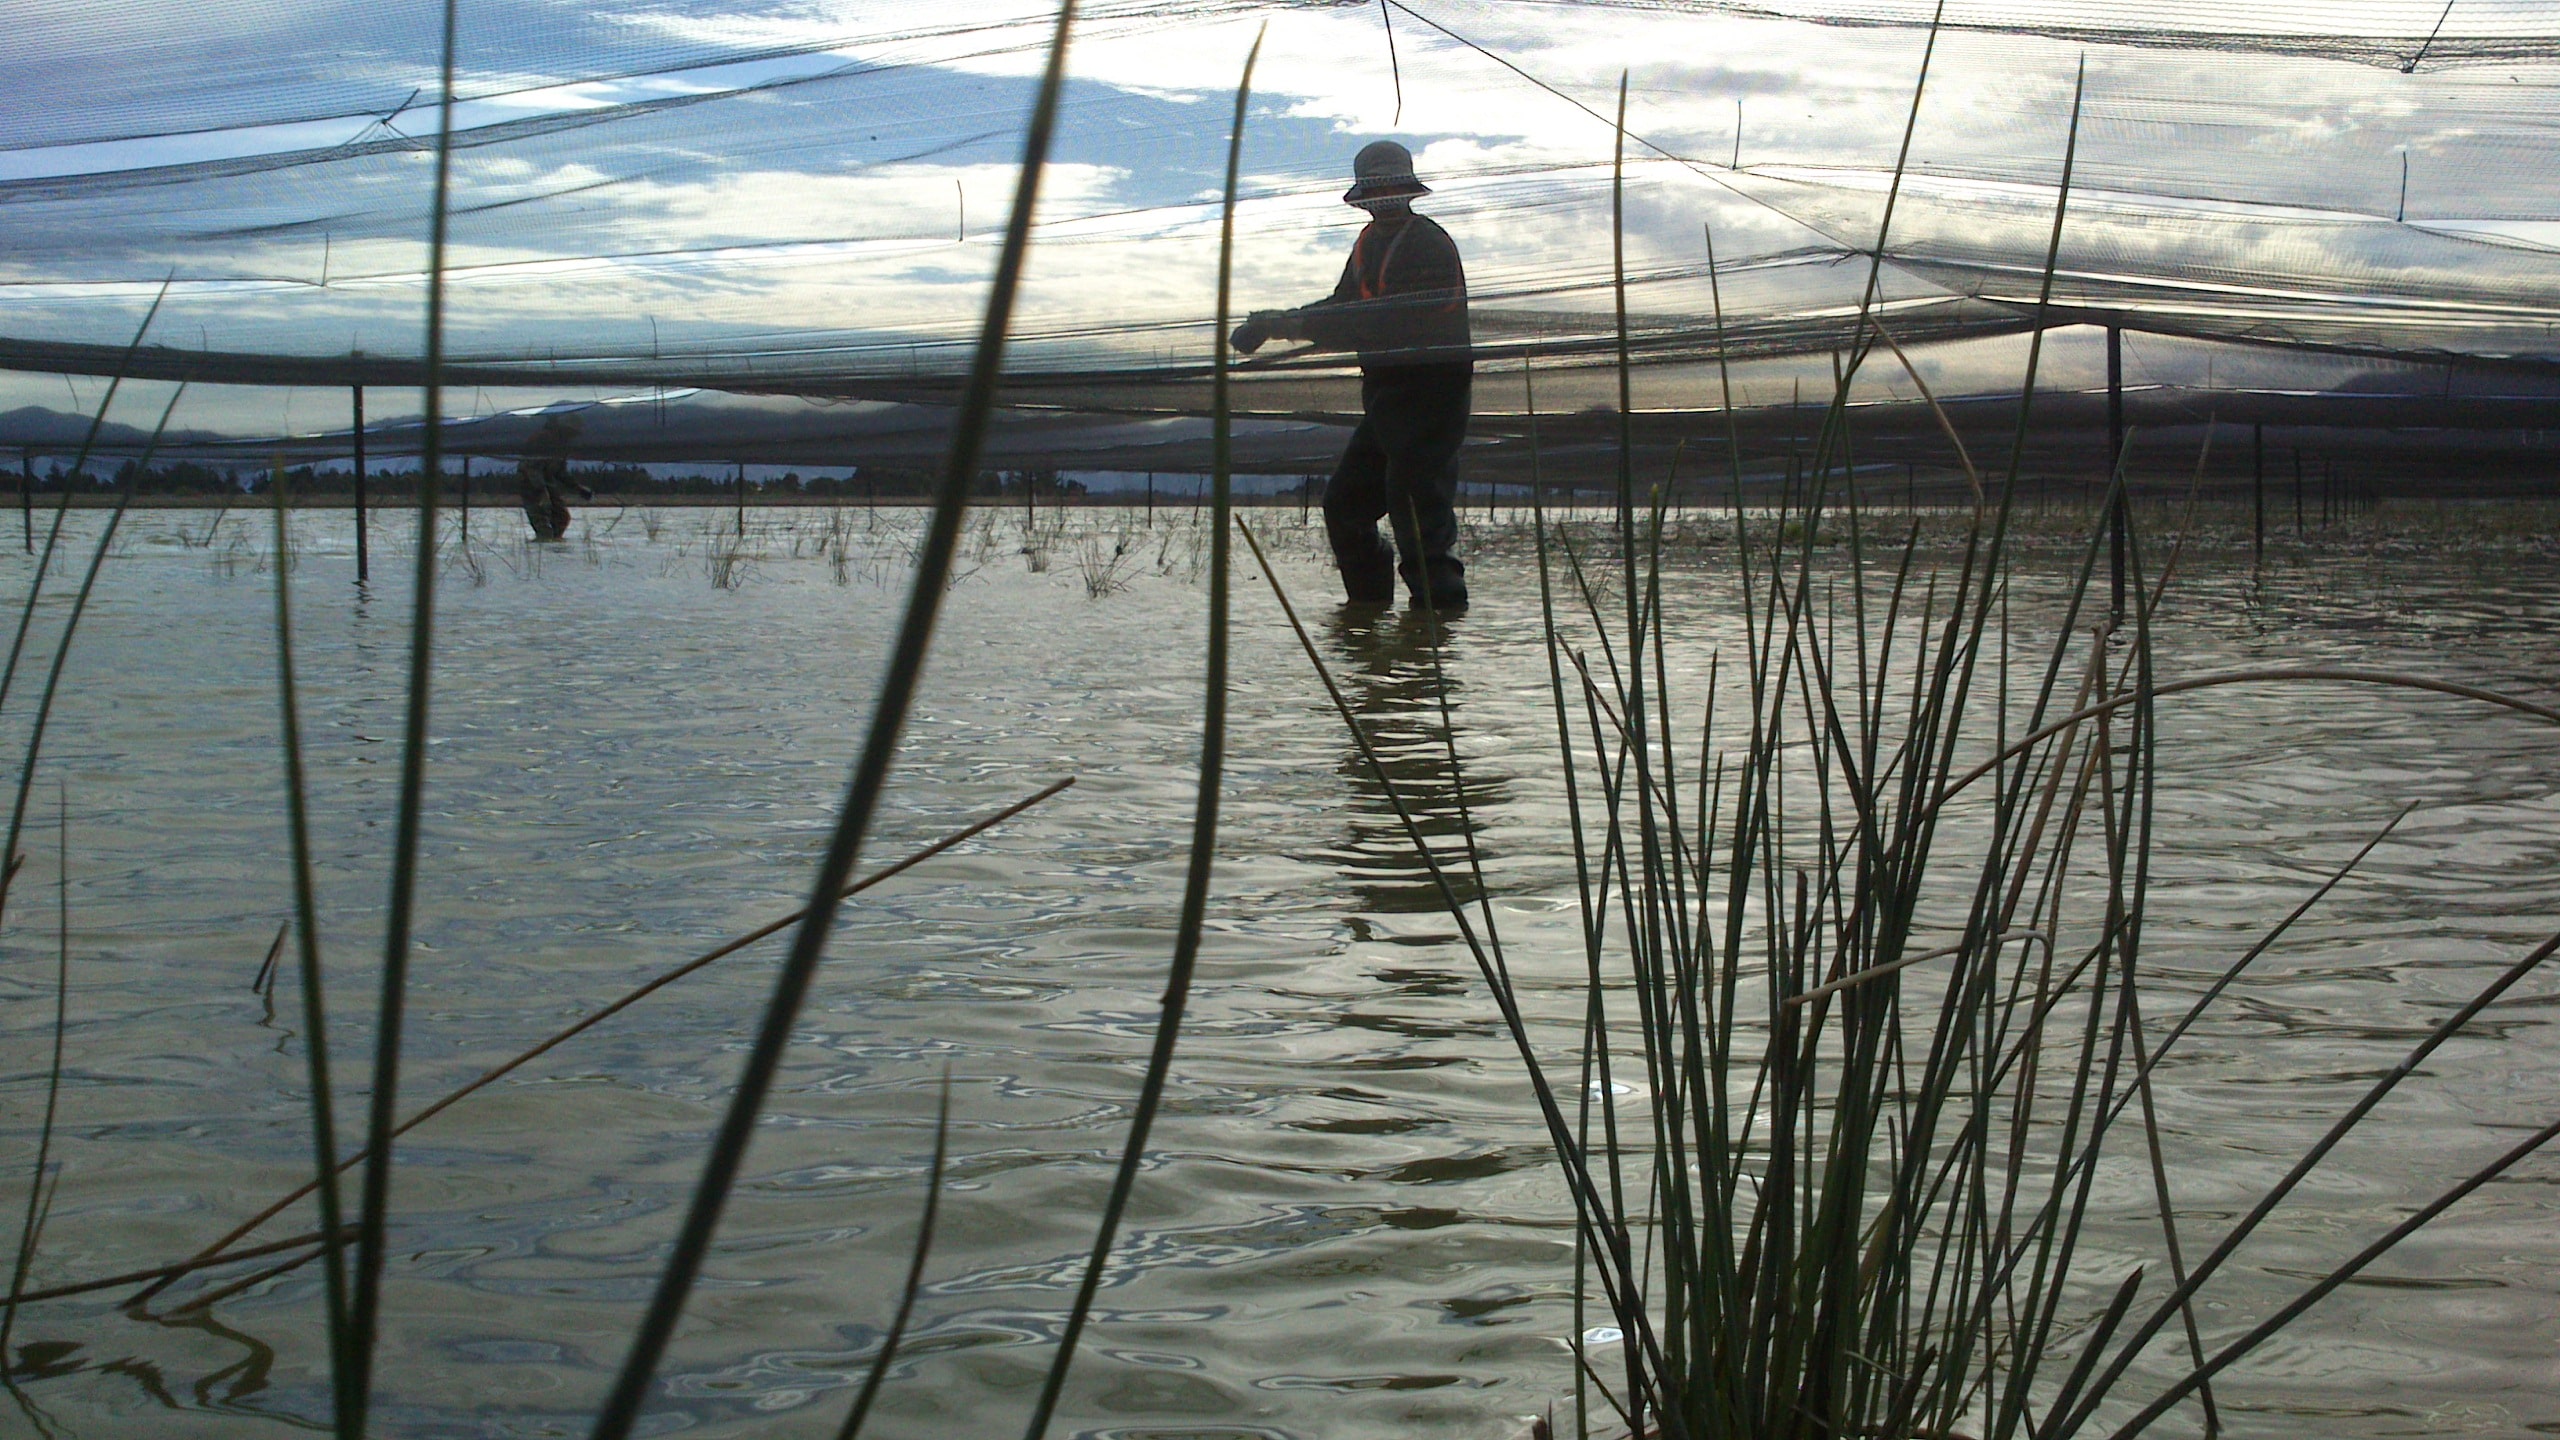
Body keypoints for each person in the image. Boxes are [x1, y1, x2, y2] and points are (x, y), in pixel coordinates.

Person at [1232, 141, 1471, 609]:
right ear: (1362, 195)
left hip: (1431, 400)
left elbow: (1386, 319)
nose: (1383, 197)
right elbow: (1345, 305)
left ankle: (1437, 637)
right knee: (1345, 508)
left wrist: (1295, 325)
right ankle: (1367, 625)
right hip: (1385, 397)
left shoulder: (1429, 244)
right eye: (1374, 189)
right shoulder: (1367, 243)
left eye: (1391, 186)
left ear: (1408, 190)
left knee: (1419, 520)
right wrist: (1279, 320)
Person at [517, 413, 581, 541]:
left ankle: (553, 550)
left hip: (546, 483)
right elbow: (531, 467)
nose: (573, 436)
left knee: (562, 518)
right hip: (531, 484)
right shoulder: (542, 438)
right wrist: (541, 490)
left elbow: (560, 471)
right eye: (571, 432)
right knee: (543, 524)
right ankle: (541, 548)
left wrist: (577, 488)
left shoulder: (562, 445)